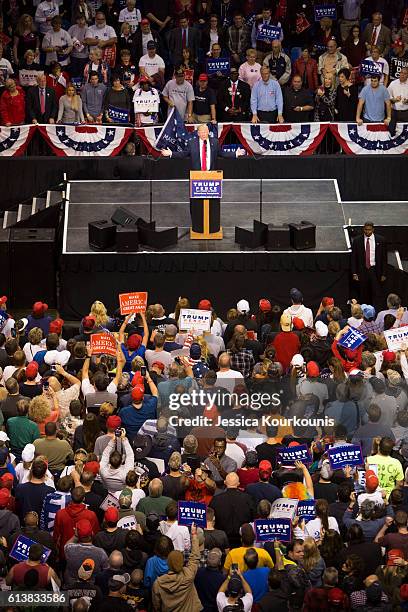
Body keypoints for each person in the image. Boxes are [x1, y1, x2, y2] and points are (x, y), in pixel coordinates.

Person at [151, 523, 201, 611]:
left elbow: (156, 606)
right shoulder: (188, 574)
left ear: (168, 564)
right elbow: (195, 557)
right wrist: (194, 534)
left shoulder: (158, 583)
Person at [209, 473, 255, 549]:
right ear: (238, 484)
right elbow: (253, 518)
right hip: (242, 541)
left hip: (221, 542)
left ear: (225, 482)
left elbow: (210, 519)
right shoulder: (248, 499)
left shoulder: (216, 500)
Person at [351, 221, 387, 308]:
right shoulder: (357, 240)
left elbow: (384, 258)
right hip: (362, 270)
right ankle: (364, 311)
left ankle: (375, 312)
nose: (367, 232)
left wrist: (384, 273)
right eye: (366, 229)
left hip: (375, 271)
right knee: (363, 293)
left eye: (369, 230)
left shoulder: (380, 240)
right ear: (363, 229)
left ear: (373, 229)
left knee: (376, 292)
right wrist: (354, 273)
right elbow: (353, 258)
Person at [388, 66, 408, 136]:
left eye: (405, 73)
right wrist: (393, 99)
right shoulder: (393, 83)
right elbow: (387, 96)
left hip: (406, 113)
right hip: (394, 112)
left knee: (405, 134)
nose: (402, 75)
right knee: (391, 132)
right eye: (401, 73)